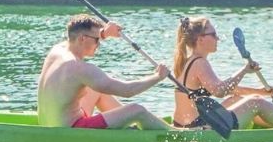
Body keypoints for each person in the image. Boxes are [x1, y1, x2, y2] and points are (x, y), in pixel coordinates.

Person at [171, 16, 273, 129]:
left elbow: (226, 89)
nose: (218, 38)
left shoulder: (190, 61)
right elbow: (219, 91)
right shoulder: (200, 63)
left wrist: (260, 91)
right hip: (198, 128)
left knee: (239, 99)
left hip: (185, 125)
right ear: (200, 39)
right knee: (256, 102)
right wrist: (244, 71)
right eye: (213, 35)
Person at [37, 13, 172, 130]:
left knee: (96, 90)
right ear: (82, 39)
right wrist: (158, 76)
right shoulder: (80, 68)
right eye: (97, 40)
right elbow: (128, 91)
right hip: (73, 128)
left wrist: (104, 33)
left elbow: (81, 37)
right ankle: (174, 133)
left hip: (50, 122)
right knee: (137, 110)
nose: (99, 44)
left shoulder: (57, 50)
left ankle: (128, 123)